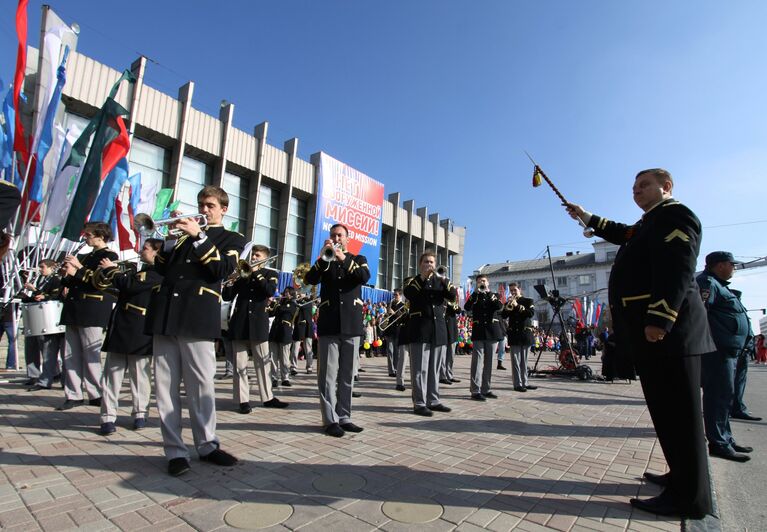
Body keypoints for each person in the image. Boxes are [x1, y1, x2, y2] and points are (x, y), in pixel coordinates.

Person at [565, 168, 714, 519]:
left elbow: (677, 269)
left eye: (644, 185)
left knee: (681, 415)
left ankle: (690, 499)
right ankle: (679, 477)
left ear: (667, 186)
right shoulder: (649, 222)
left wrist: (660, 319)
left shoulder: (676, 216)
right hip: (653, 335)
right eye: (633, 187)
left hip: (669, 333)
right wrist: (585, 215)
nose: (636, 191)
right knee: (666, 413)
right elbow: (622, 232)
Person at [145, 186, 245, 476]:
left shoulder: (232, 238)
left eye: (210, 205)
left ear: (223, 209)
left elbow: (221, 269)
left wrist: (199, 237)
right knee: (165, 389)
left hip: (198, 316)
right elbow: (162, 268)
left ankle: (207, 445)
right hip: (166, 315)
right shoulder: (180, 240)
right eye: (201, 204)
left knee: (201, 386)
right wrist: (166, 240)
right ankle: (175, 451)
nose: (203, 210)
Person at [304, 223, 369, 437]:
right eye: (333, 235)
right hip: (329, 323)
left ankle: (345, 416)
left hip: (351, 323)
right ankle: (330, 419)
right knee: (328, 375)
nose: (336, 237)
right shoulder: (325, 260)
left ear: (348, 238)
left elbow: (363, 277)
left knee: (347, 374)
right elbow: (309, 279)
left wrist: (342, 257)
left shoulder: (358, 259)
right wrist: (324, 257)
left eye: (340, 235)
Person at [95, 239, 163, 434]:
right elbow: (119, 288)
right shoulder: (139, 271)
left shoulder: (156, 273)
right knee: (111, 376)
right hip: (120, 328)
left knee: (140, 376)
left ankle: (140, 414)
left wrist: (110, 269)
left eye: (146, 248)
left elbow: (129, 285)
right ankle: (107, 417)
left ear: (156, 253)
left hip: (139, 329)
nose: (141, 251)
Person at [696, 251, 757, 462]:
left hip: (728, 350)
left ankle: (726, 439)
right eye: (732, 264)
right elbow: (700, 313)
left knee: (725, 396)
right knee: (718, 397)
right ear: (719, 265)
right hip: (717, 351)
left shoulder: (720, 285)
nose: (734, 268)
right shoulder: (707, 283)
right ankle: (719, 442)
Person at [59, 222, 119, 410]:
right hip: (74, 308)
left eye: (89, 234)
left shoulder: (109, 256)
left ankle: (95, 393)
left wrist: (78, 268)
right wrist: (66, 274)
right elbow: (73, 281)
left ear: (101, 236)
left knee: (90, 354)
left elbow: (101, 282)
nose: (86, 238)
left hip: (92, 308)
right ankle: (73, 394)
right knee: (70, 354)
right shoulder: (85, 256)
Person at [223, 244, 287, 415]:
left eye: (257, 255)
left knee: (263, 363)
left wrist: (256, 272)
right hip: (240, 323)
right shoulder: (242, 275)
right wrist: (230, 281)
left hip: (258, 323)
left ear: (264, 258)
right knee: (239, 365)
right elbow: (227, 296)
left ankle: (268, 397)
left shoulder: (270, 274)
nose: (253, 258)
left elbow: (269, 290)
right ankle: (242, 400)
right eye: (253, 255)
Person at [403, 250, 457, 416]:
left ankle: (433, 400)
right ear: (420, 265)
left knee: (434, 368)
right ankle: (419, 403)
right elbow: (409, 294)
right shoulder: (414, 281)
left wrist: (445, 281)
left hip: (438, 329)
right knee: (420, 369)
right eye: (426, 262)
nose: (430, 265)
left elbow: (453, 296)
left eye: (432, 262)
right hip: (420, 329)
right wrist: (424, 278)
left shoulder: (441, 281)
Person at [23, 259, 64, 391]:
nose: (40, 270)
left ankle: (54, 377)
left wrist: (35, 290)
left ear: (52, 267)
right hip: (38, 319)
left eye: (43, 267)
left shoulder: (56, 280)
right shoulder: (42, 280)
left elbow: (54, 296)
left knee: (49, 351)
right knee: (37, 349)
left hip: (49, 320)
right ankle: (40, 377)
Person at [464, 275, 503, 401]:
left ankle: (486, 389)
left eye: (484, 281)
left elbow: (499, 306)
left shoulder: (494, 295)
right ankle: (475, 390)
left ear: (488, 283)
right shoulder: (475, 296)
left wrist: (489, 293)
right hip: (479, 331)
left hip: (492, 331)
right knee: (477, 362)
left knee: (489, 362)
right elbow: (466, 308)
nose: (482, 283)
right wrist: (475, 294)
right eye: (479, 281)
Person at [502, 283, 537, 392]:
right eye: (511, 290)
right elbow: (503, 315)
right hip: (514, 335)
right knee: (516, 362)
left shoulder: (528, 301)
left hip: (525, 333)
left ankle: (525, 382)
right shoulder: (509, 302)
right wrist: (508, 306)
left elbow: (530, 313)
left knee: (524, 361)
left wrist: (517, 306)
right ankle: (517, 384)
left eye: (514, 290)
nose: (513, 292)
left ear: (520, 289)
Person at [269, 287, 298, 387]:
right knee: (273, 357)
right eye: (285, 292)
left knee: (284, 357)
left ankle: (285, 378)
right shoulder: (280, 303)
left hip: (285, 332)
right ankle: (273, 378)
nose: (286, 294)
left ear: (292, 294)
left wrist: (276, 304)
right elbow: (271, 313)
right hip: (275, 332)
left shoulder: (293, 304)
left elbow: (285, 310)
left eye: (288, 292)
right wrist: (271, 303)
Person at [291, 293, 315, 374]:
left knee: (308, 348)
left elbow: (302, 306)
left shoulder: (309, 302)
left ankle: (309, 366)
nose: (299, 294)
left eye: (302, 292)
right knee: (295, 348)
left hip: (307, 326)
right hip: (298, 326)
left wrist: (296, 301)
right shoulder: (295, 302)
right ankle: (293, 367)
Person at [382, 289, 404, 378]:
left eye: (396, 295)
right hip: (389, 330)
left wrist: (394, 313)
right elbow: (387, 316)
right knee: (390, 351)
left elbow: (402, 317)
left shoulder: (403, 305)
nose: (394, 296)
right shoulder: (390, 304)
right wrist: (387, 313)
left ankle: (396, 369)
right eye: (394, 295)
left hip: (398, 330)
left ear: (400, 296)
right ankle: (391, 371)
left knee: (397, 352)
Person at [439, 299, 461, 385]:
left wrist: (451, 304)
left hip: (452, 331)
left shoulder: (452, 302)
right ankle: (442, 376)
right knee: (443, 356)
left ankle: (449, 375)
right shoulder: (440, 301)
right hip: (443, 330)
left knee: (451, 356)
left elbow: (458, 310)